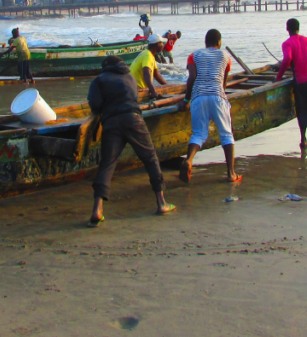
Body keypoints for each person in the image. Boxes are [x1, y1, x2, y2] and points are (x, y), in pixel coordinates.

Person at [85, 56, 173, 226]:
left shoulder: (99, 80)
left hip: (111, 123)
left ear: (106, 67)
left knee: (107, 164)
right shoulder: (130, 77)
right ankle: (162, 203)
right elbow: (134, 99)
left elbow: (94, 104)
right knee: (150, 158)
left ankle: (97, 209)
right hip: (134, 120)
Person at [178, 29, 239, 183]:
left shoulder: (194, 55)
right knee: (226, 134)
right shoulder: (226, 56)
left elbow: (191, 79)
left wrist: (186, 100)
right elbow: (223, 83)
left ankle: (189, 160)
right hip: (217, 96)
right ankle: (231, 174)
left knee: (198, 134)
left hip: (198, 98)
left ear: (205, 42)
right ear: (219, 42)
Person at [276, 18, 307, 147]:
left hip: (301, 81)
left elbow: (287, 58)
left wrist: (279, 76)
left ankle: (303, 139)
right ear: (299, 28)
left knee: (302, 109)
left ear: (287, 29)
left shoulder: (287, 43)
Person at [129, 34, 167, 99]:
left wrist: (168, 86)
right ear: (157, 44)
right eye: (162, 43)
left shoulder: (148, 54)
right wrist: (153, 91)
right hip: (137, 90)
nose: (163, 45)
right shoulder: (148, 56)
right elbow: (146, 73)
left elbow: (156, 75)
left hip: (131, 86)